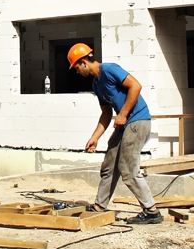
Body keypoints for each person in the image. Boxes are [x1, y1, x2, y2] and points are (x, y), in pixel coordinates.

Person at [68, 43, 163, 224]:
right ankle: (100, 206)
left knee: (127, 168)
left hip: (137, 120)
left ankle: (151, 211)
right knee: (109, 166)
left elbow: (136, 86)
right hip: (124, 125)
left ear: (84, 62)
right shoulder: (96, 85)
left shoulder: (109, 70)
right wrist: (94, 138)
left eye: (76, 67)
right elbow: (106, 114)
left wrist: (124, 113)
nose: (77, 72)